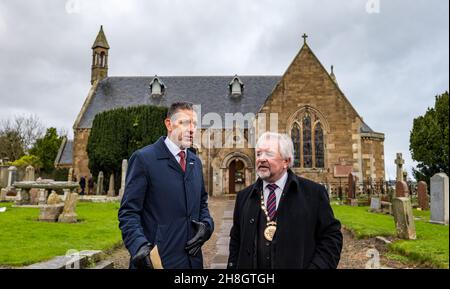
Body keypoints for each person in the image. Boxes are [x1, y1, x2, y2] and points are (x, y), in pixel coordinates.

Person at [118, 102, 214, 269]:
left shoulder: (195, 162)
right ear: (169, 124)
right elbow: (128, 212)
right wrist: (139, 246)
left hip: (192, 261)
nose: (191, 130)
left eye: (195, 124)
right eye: (184, 123)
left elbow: (202, 203)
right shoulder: (144, 159)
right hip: (158, 262)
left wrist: (206, 226)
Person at [228, 132, 342, 269]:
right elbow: (236, 241)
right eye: (258, 154)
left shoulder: (314, 193)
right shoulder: (243, 197)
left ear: (286, 161)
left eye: (268, 154)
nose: (261, 159)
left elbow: (331, 237)